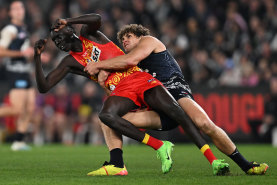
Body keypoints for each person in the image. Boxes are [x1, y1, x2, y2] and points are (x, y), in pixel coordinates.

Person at [34, 13, 229, 176]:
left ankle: (212, 160)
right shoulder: (70, 62)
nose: (57, 42)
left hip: (139, 78)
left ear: (70, 31)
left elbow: (96, 18)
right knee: (106, 116)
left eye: (58, 36)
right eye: (54, 40)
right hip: (121, 92)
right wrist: (37, 57)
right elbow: (44, 86)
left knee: (177, 112)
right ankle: (156, 147)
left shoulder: (89, 35)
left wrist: (69, 20)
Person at [84, 24, 269, 175]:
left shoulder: (149, 41)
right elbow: (118, 95)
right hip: (155, 104)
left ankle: (247, 165)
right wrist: (104, 83)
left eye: (129, 36)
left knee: (204, 124)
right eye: (122, 40)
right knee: (109, 119)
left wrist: (98, 65)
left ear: (140, 36)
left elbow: (130, 60)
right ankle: (117, 164)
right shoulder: (127, 63)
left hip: (175, 90)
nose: (124, 41)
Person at [0, 0, 34, 151]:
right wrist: (22, 53)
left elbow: (26, 53)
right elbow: (1, 51)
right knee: (17, 109)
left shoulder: (23, 29)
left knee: (30, 107)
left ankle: (18, 141)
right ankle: (18, 141)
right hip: (15, 71)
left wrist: (36, 55)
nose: (20, 10)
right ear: (10, 13)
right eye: (16, 8)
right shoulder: (10, 29)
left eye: (21, 7)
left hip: (25, 72)